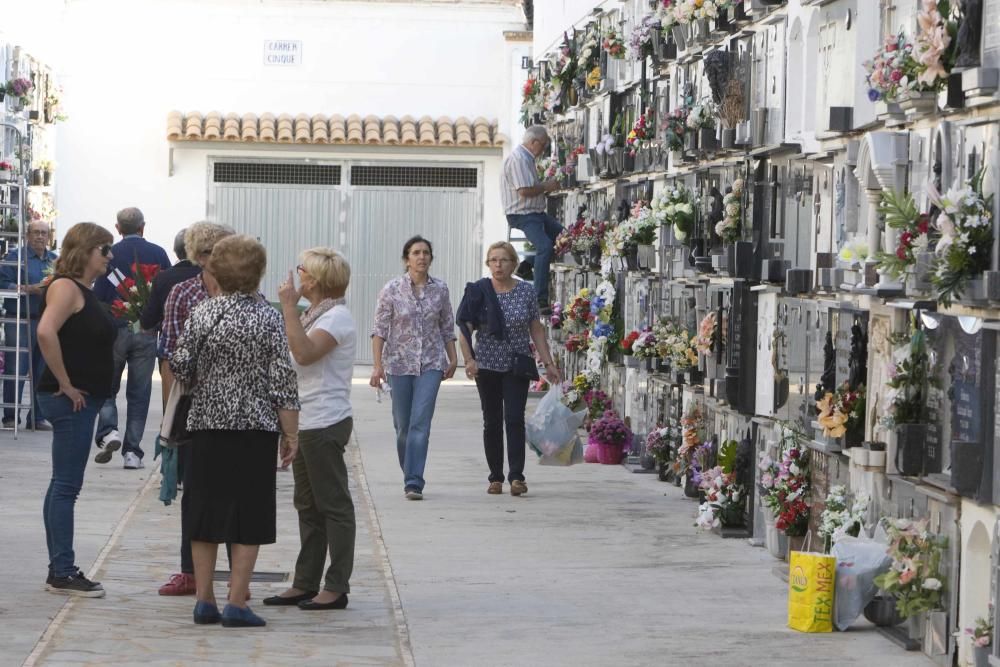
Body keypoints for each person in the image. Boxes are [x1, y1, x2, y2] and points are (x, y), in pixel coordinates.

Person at [170, 234, 300, 628]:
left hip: (207, 425)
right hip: (254, 428)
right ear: (257, 273)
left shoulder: (203, 314)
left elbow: (181, 365)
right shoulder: (268, 317)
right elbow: (282, 380)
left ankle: (204, 599)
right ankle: (237, 602)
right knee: (248, 512)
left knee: (204, 510)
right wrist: (291, 434)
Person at [265, 248, 356, 611]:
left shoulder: (336, 318)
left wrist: (288, 306)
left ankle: (336, 585)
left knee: (333, 504)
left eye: (301, 270)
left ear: (314, 281)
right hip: (306, 420)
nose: (296, 276)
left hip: (325, 420)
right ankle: (305, 581)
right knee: (307, 504)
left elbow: (303, 354)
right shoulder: (315, 315)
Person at [35, 222, 116, 597]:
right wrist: (65, 383)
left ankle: (60, 567)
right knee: (67, 486)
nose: (109, 257)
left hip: (80, 399)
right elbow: (45, 332)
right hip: (70, 400)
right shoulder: (66, 287)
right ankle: (62, 571)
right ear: (85, 251)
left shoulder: (81, 288)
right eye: (104, 249)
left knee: (63, 485)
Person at [155, 222, 234, 598]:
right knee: (197, 493)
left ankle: (238, 577)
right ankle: (190, 572)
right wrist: (171, 415)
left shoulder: (246, 292)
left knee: (236, 493)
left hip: (237, 410)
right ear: (199, 257)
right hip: (195, 408)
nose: (220, 259)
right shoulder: (182, 293)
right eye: (213, 252)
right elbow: (169, 356)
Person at [456, 241, 560, 496]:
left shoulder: (525, 291)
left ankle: (516, 476)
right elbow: (464, 329)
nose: (498, 265)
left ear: (513, 264)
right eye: (493, 260)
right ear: (488, 264)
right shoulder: (478, 291)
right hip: (487, 365)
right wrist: (469, 359)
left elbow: (535, 328)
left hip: (516, 364)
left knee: (514, 419)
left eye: (503, 260)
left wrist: (548, 363)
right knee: (491, 421)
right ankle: (495, 477)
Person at [369, 236, 457, 500]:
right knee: (403, 426)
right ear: (406, 259)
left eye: (426, 253)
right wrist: (377, 366)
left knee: (421, 422)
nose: (422, 257)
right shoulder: (391, 290)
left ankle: (414, 481)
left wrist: (453, 358)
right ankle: (409, 469)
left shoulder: (440, 289)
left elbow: (447, 327)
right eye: (416, 253)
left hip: (430, 363)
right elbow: (379, 330)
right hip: (398, 364)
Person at [93, 207, 171, 469]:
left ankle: (109, 432)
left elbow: (100, 295)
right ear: (143, 227)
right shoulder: (159, 253)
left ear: (117, 228)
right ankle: (133, 453)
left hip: (114, 329)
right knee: (139, 393)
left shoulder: (109, 254)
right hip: (146, 332)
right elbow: (166, 291)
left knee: (106, 387)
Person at [0, 220, 57, 429]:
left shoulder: (54, 260)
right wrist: (26, 288)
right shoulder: (15, 258)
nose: (40, 237)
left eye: (44, 233)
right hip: (20, 319)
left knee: (43, 369)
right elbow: (2, 283)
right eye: (36, 233)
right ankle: (10, 416)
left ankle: (37, 417)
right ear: (27, 235)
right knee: (17, 368)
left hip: (46, 320)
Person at [500, 125, 562, 314]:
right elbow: (524, 191)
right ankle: (540, 298)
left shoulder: (527, 158)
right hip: (523, 215)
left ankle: (527, 263)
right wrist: (547, 186)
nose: (543, 150)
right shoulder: (519, 159)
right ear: (533, 142)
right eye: (543, 146)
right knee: (544, 246)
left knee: (563, 238)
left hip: (535, 213)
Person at [139, 228, 200, 408]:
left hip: (172, 352)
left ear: (176, 251)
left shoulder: (164, 277)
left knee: (173, 408)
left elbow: (148, 319)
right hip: (203, 353)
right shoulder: (209, 276)